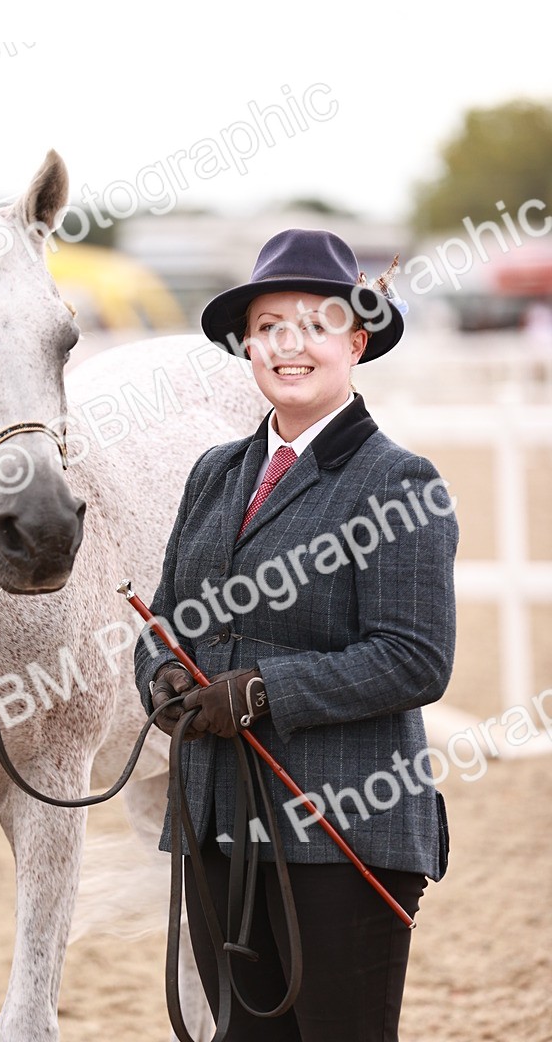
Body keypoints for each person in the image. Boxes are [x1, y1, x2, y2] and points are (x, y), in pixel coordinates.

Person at [134, 229, 458, 1042]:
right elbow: (172, 618)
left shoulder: (398, 481)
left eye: (316, 324)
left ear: (355, 341)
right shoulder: (212, 471)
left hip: (341, 829)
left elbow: (415, 657)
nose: (291, 344)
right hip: (215, 822)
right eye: (271, 325)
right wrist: (163, 677)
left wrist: (264, 691)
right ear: (248, 344)